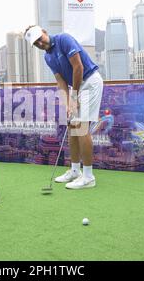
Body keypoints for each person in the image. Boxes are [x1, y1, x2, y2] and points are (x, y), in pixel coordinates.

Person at [25, 25, 104, 189]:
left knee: (81, 127)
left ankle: (88, 176)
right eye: (35, 43)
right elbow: (60, 81)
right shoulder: (47, 58)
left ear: (45, 32)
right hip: (78, 87)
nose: (39, 43)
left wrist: (74, 96)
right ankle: (75, 170)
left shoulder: (64, 39)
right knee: (72, 126)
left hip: (89, 82)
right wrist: (67, 103)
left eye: (40, 38)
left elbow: (78, 67)